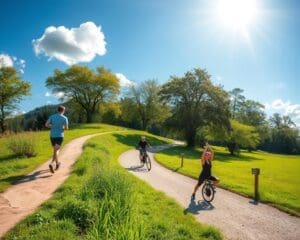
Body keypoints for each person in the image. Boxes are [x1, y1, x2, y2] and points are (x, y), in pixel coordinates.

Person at [45, 105, 69, 174]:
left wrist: (52, 126)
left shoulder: (52, 116)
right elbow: (67, 128)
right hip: (59, 136)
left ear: (57, 110)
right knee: (57, 150)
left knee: (55, 151)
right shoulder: (65, 118)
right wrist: (62, 127)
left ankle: (57, 163)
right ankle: (52, 163)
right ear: (63, 111)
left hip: (52, 136)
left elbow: (46, 125)